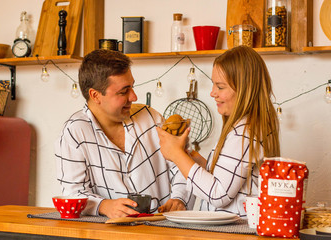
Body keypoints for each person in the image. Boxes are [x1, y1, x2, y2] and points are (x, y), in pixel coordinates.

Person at [55, 49, 194, 219]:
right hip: (108, 235)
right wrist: (104, 205)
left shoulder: (151, 117)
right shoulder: (74, 132)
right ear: (95, 95)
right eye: (123, 92)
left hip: (164, 229)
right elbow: (73, 193)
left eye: (132, 87)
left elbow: (181, 167)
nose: (134, 97)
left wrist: (179, 198)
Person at [156, 46, 280, 217]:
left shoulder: (244, 132)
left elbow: (219, 193)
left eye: (220, 87)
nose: (212, 93)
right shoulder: (247, 128)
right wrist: (194, 159)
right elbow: (228, 178)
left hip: (236, 232)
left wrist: (177, 155)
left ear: (245, 90)